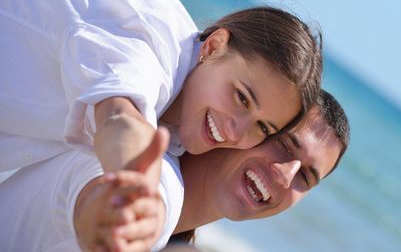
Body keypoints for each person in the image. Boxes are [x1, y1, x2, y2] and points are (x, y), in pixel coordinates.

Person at [0, 0, 322, 190]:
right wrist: (132, 174)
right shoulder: (154, 37)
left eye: (262, 127)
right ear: (214, 46)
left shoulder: (180, 124)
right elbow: (118, 113)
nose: (237, 131)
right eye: (241, 97)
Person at [0, 90, 349, 251]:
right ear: (249, 128)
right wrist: (115, 220)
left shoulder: (177, 229)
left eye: (305, 177)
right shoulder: (148, 170)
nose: (286, 175)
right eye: (285, 145)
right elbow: (100, 196)